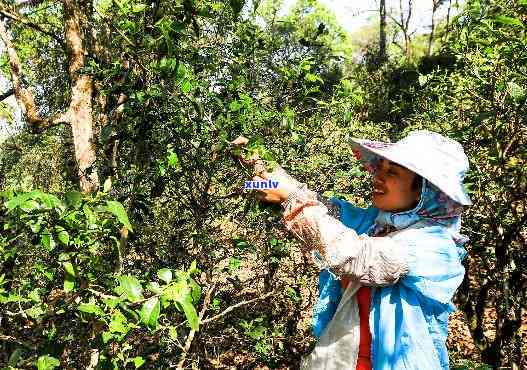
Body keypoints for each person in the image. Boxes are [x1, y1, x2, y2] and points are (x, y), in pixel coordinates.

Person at [241, 130, 471, 370]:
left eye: (392, 171)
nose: (378, 177)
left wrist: (290, 198)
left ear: (424, 190)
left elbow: (356, 256)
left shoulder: (434, 246)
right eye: (380, 167)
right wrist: (259, 166)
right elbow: (319, 208)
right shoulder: (374, 224)